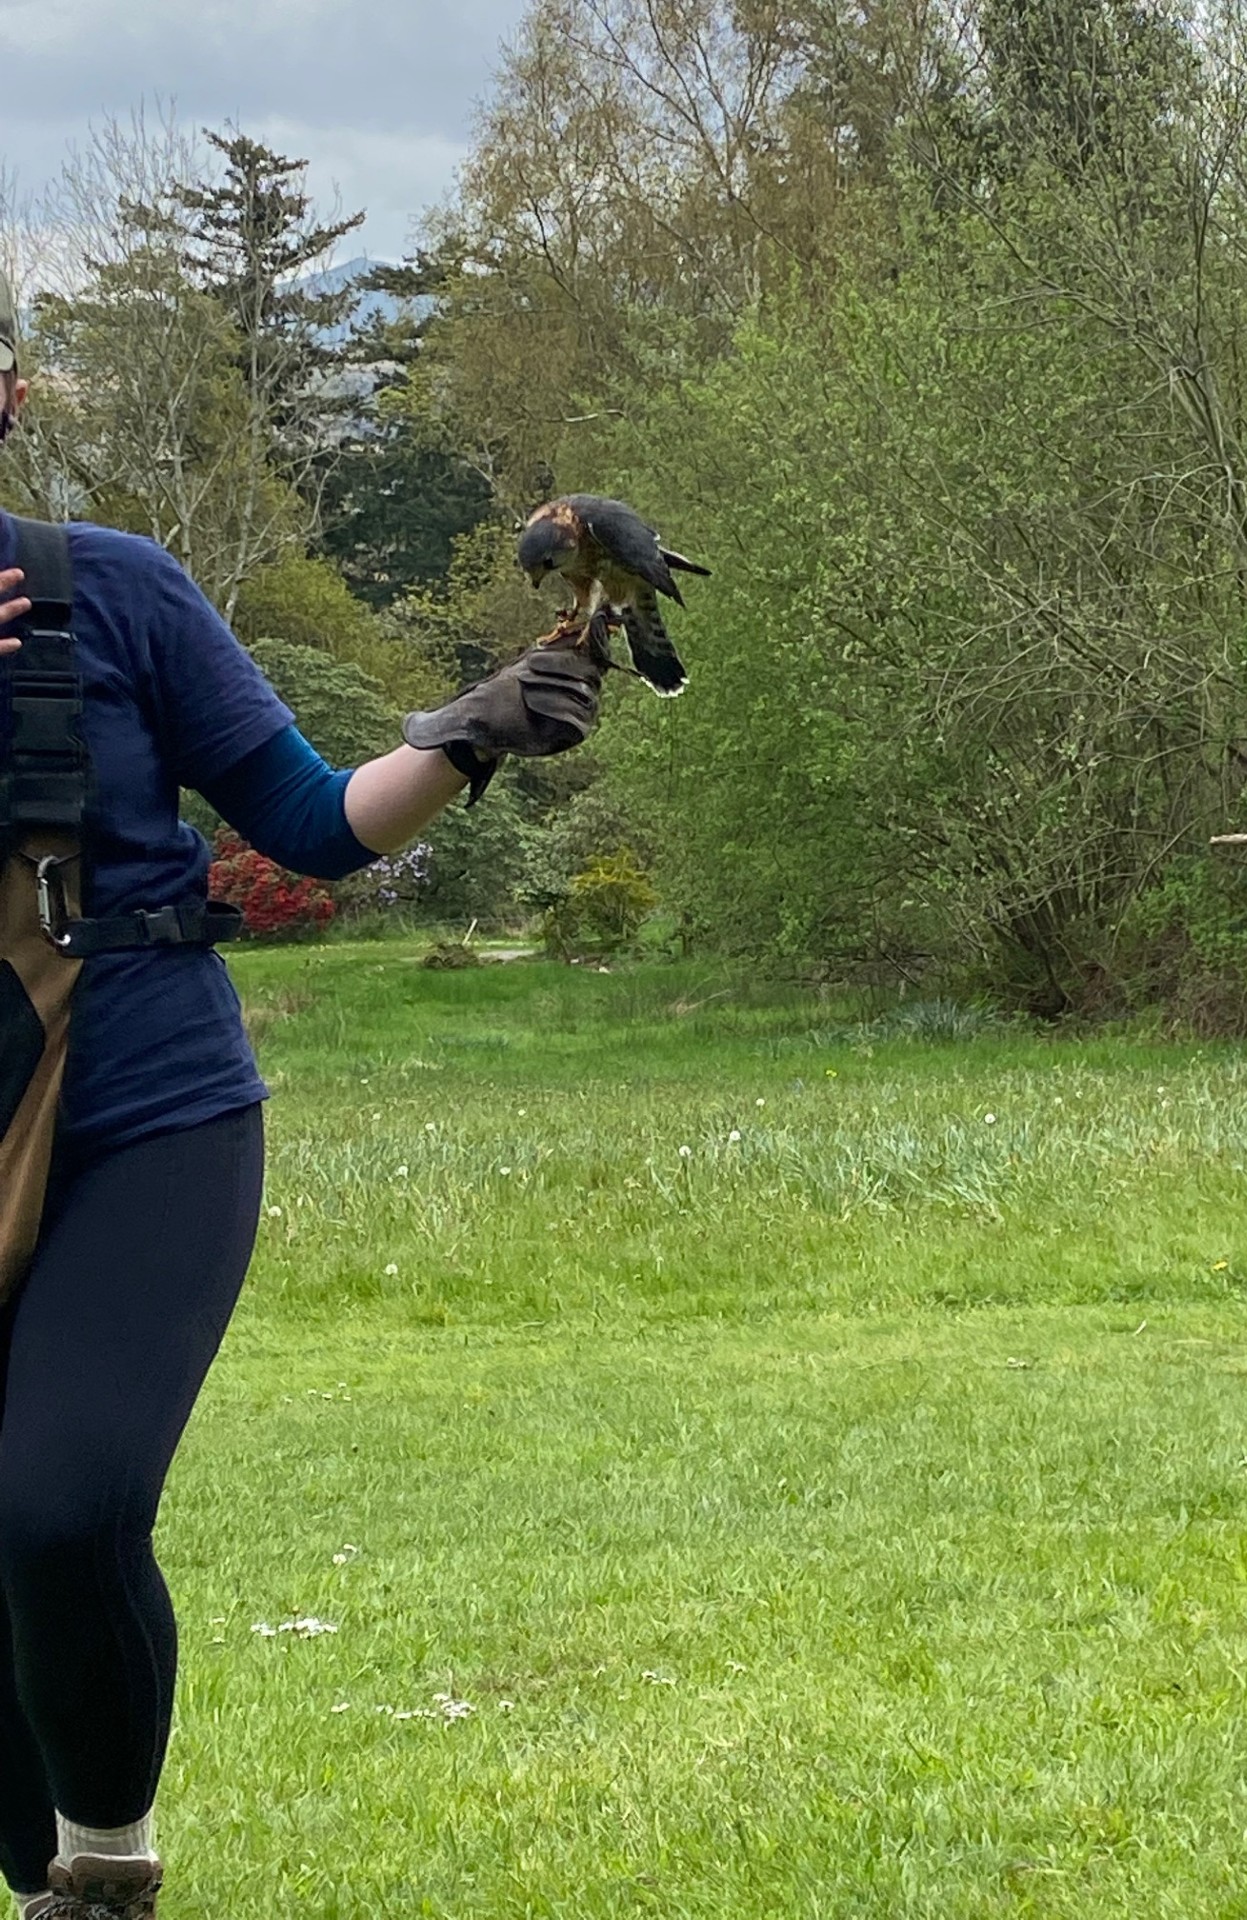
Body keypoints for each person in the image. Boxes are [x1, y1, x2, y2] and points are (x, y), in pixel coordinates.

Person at [0, 273, 602, 1920]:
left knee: (61, 1507)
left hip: (148, 1112)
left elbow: (312, 822)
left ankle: (98, 1881)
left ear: (9, 400)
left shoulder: (114, 593)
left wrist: (472, 733)